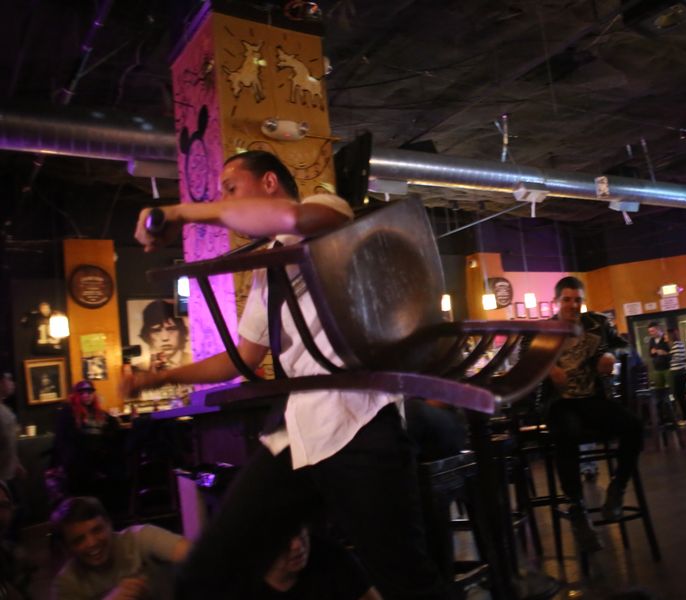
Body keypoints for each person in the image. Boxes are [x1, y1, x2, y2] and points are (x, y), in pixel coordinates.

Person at [125, 150, 447, 598]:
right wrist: (158, 378)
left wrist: (182, 212)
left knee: (406, 581)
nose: (225, 201)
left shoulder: (325, 210)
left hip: (359, 421)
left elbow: (292, 218)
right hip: (298, 431)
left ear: (270, 182)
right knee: (213, 563)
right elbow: (240, 359)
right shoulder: (267, 271)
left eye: (231, 188)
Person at [538, 276, 640, 551]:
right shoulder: (543, 330)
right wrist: (548, 369)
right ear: (556, 302)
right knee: (566, 432)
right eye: (567, 300)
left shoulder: (597, 323)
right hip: (560, 402)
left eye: (578, 300)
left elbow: (625, 345)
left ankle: (617, 488)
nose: (573, 305)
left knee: (634, 426)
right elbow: (526, 360)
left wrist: (611, 356)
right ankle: (576, 507)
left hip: (593, 399)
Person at [51, 496, 190, 600]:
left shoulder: (139, 537)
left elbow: (195, 556)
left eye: (97, 530)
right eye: (79, 540)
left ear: (109, 524)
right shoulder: (66, 583)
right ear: (68, 548)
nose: (92, 543)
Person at [257, 523, 381, 599]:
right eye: (284, 538)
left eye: (299, 531)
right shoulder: (247, 583)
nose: (297, 545)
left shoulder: (329, 554)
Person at [51, 381, 124, 507]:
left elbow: (112, 423)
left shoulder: (97, 412)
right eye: (82, 393)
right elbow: (64, 439)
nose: (86, 395)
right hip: (78, 462)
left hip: (96, 459)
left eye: (89, 392)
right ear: (76, 395)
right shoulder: (68, 412)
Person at [666, 327, 686, 422]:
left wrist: (667, 355)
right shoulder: (679, 344)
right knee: (681, 395)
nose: (666, 337)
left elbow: (678, 359)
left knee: (680, 395)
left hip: (679, 373)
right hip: (681, 372)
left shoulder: (676, 345)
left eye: (668, 335)